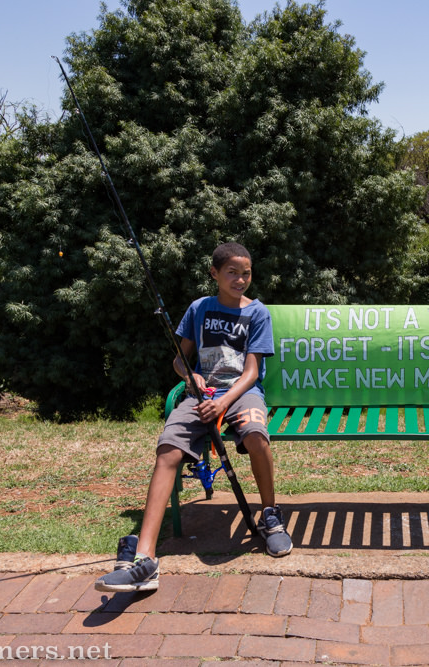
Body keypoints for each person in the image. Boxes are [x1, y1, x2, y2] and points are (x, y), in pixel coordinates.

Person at [95, 242, 292, 593]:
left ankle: (271, 516)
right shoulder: (199, 308)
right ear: (214, 273)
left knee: (256, 436)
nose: (240, 279)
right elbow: (179, 360)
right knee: (167, 451)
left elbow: (251, 372)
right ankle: (145, 557)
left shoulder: (258, 313)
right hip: (200, 396)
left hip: (241, 393)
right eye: (232, 272)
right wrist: (190, 378)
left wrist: (224, 403)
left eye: (246, 273)